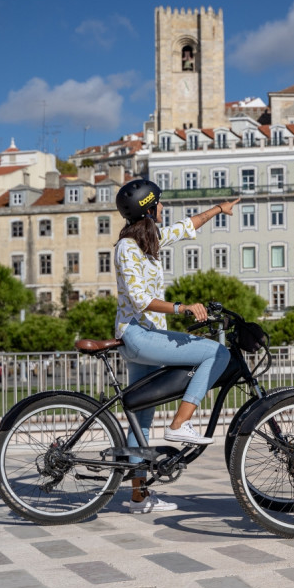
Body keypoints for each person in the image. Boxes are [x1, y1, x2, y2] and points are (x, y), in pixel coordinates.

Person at [113, 179, 240, 514]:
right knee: (217, 352)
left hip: (147, 335)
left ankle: (138, 497)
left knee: (140, 418)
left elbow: (186, 227)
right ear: (148, 208)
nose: (163, 208)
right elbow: (140, 299)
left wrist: (218, 210)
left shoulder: (149, 239)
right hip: (140, 335)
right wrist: (181, 307)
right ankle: (180, 424)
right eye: (159, 203)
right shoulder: (126, 248)